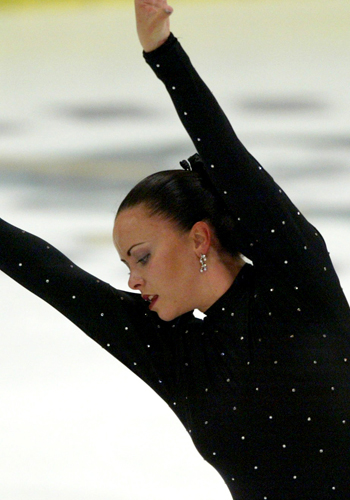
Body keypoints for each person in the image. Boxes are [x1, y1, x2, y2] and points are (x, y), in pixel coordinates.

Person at [1, 0, 350, 498]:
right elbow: (54, 275)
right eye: (126, 264)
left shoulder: (297, 282)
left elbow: (227, 155)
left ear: (199, 238)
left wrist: (162, 53)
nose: (132, 280)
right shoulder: (177, 354)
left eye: (141, 256)